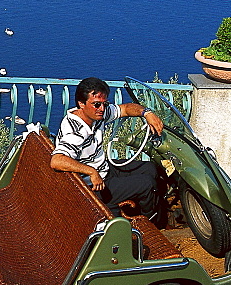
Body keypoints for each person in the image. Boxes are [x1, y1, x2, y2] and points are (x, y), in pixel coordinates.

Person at [49, 77, 165, 223]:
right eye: (96, 104)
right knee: (147, 184)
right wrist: (91, 171)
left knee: (149, 168)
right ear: (81, 104)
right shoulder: (76, 131)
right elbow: (57, 160)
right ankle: (152, 224)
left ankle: (142, 208)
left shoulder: (96, 115)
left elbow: (125, 109)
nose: (102, 109)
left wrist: (147, 113)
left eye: (104, 104)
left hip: (103, 168)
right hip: (94, 186)